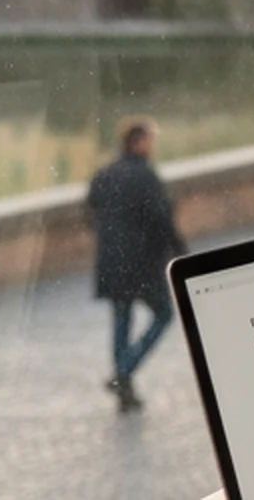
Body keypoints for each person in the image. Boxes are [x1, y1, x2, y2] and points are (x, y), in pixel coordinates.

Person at [87, 115, 186, 413]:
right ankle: (124, 372)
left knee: (121, 321)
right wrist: (181, 254)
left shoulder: (104, 174)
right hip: (141, 265)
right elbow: (161, 220)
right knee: (165, 314)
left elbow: (91, 210)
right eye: (150, 140)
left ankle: (124, 387)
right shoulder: (145, 176)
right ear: (139, 141)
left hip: (111, 262)